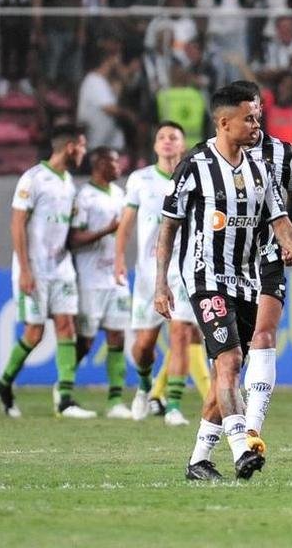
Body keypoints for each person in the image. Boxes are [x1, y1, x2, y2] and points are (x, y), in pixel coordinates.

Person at [156, 84, 292, 481]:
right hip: (207, 277)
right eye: (250, 118)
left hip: (247, 278)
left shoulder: (260, 167)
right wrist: (161, 283)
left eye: (257, 117)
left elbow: (279, 219)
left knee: (229, 371)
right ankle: (242, 448)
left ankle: (198, 461)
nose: (257, 124)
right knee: (229, 361)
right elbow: (169, 226)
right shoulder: (194, 165)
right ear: (225, 123)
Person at [230, 79, 292, 462]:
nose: (255, 116)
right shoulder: (212, 158)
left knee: (263, 335)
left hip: (268, 257)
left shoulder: (285, 154)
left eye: (256, 108)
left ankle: (252, 428)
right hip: (225, 263)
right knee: (232, 354)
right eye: (247, 110)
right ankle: (211, 441)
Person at [0, 123, 95, 419]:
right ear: (71, 146)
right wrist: (24, 269)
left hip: (61, 268)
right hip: (34, 268)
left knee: (67, 327)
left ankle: (64, 398)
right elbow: (17, 224)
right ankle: (4, 383)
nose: (84, 153)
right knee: (34, 333)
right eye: (83, 146)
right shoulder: (33, 179)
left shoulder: (68, 183)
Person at [114, 121, 210, 426]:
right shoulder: (140, 180)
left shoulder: (195, 178)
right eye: (162, 137)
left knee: (181, 334)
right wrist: (118, 258)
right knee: (144, 347)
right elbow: (126, 223)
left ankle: (173, 406)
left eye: (174, 137)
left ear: (182, 145)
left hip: (183, 271)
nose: (167, 142)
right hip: (147, 274)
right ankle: (144, 385)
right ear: (155, 146)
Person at [68, 146, 129, 419]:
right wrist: (107, 230)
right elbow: (74, 239)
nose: (119, 166)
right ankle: (63, 390)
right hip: (89, 277)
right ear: (99, 163)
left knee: (117, 335)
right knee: (86, 340)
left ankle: (115, 400)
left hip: (114, 276)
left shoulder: (120, 194)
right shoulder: (85, 197)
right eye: (114, 161)